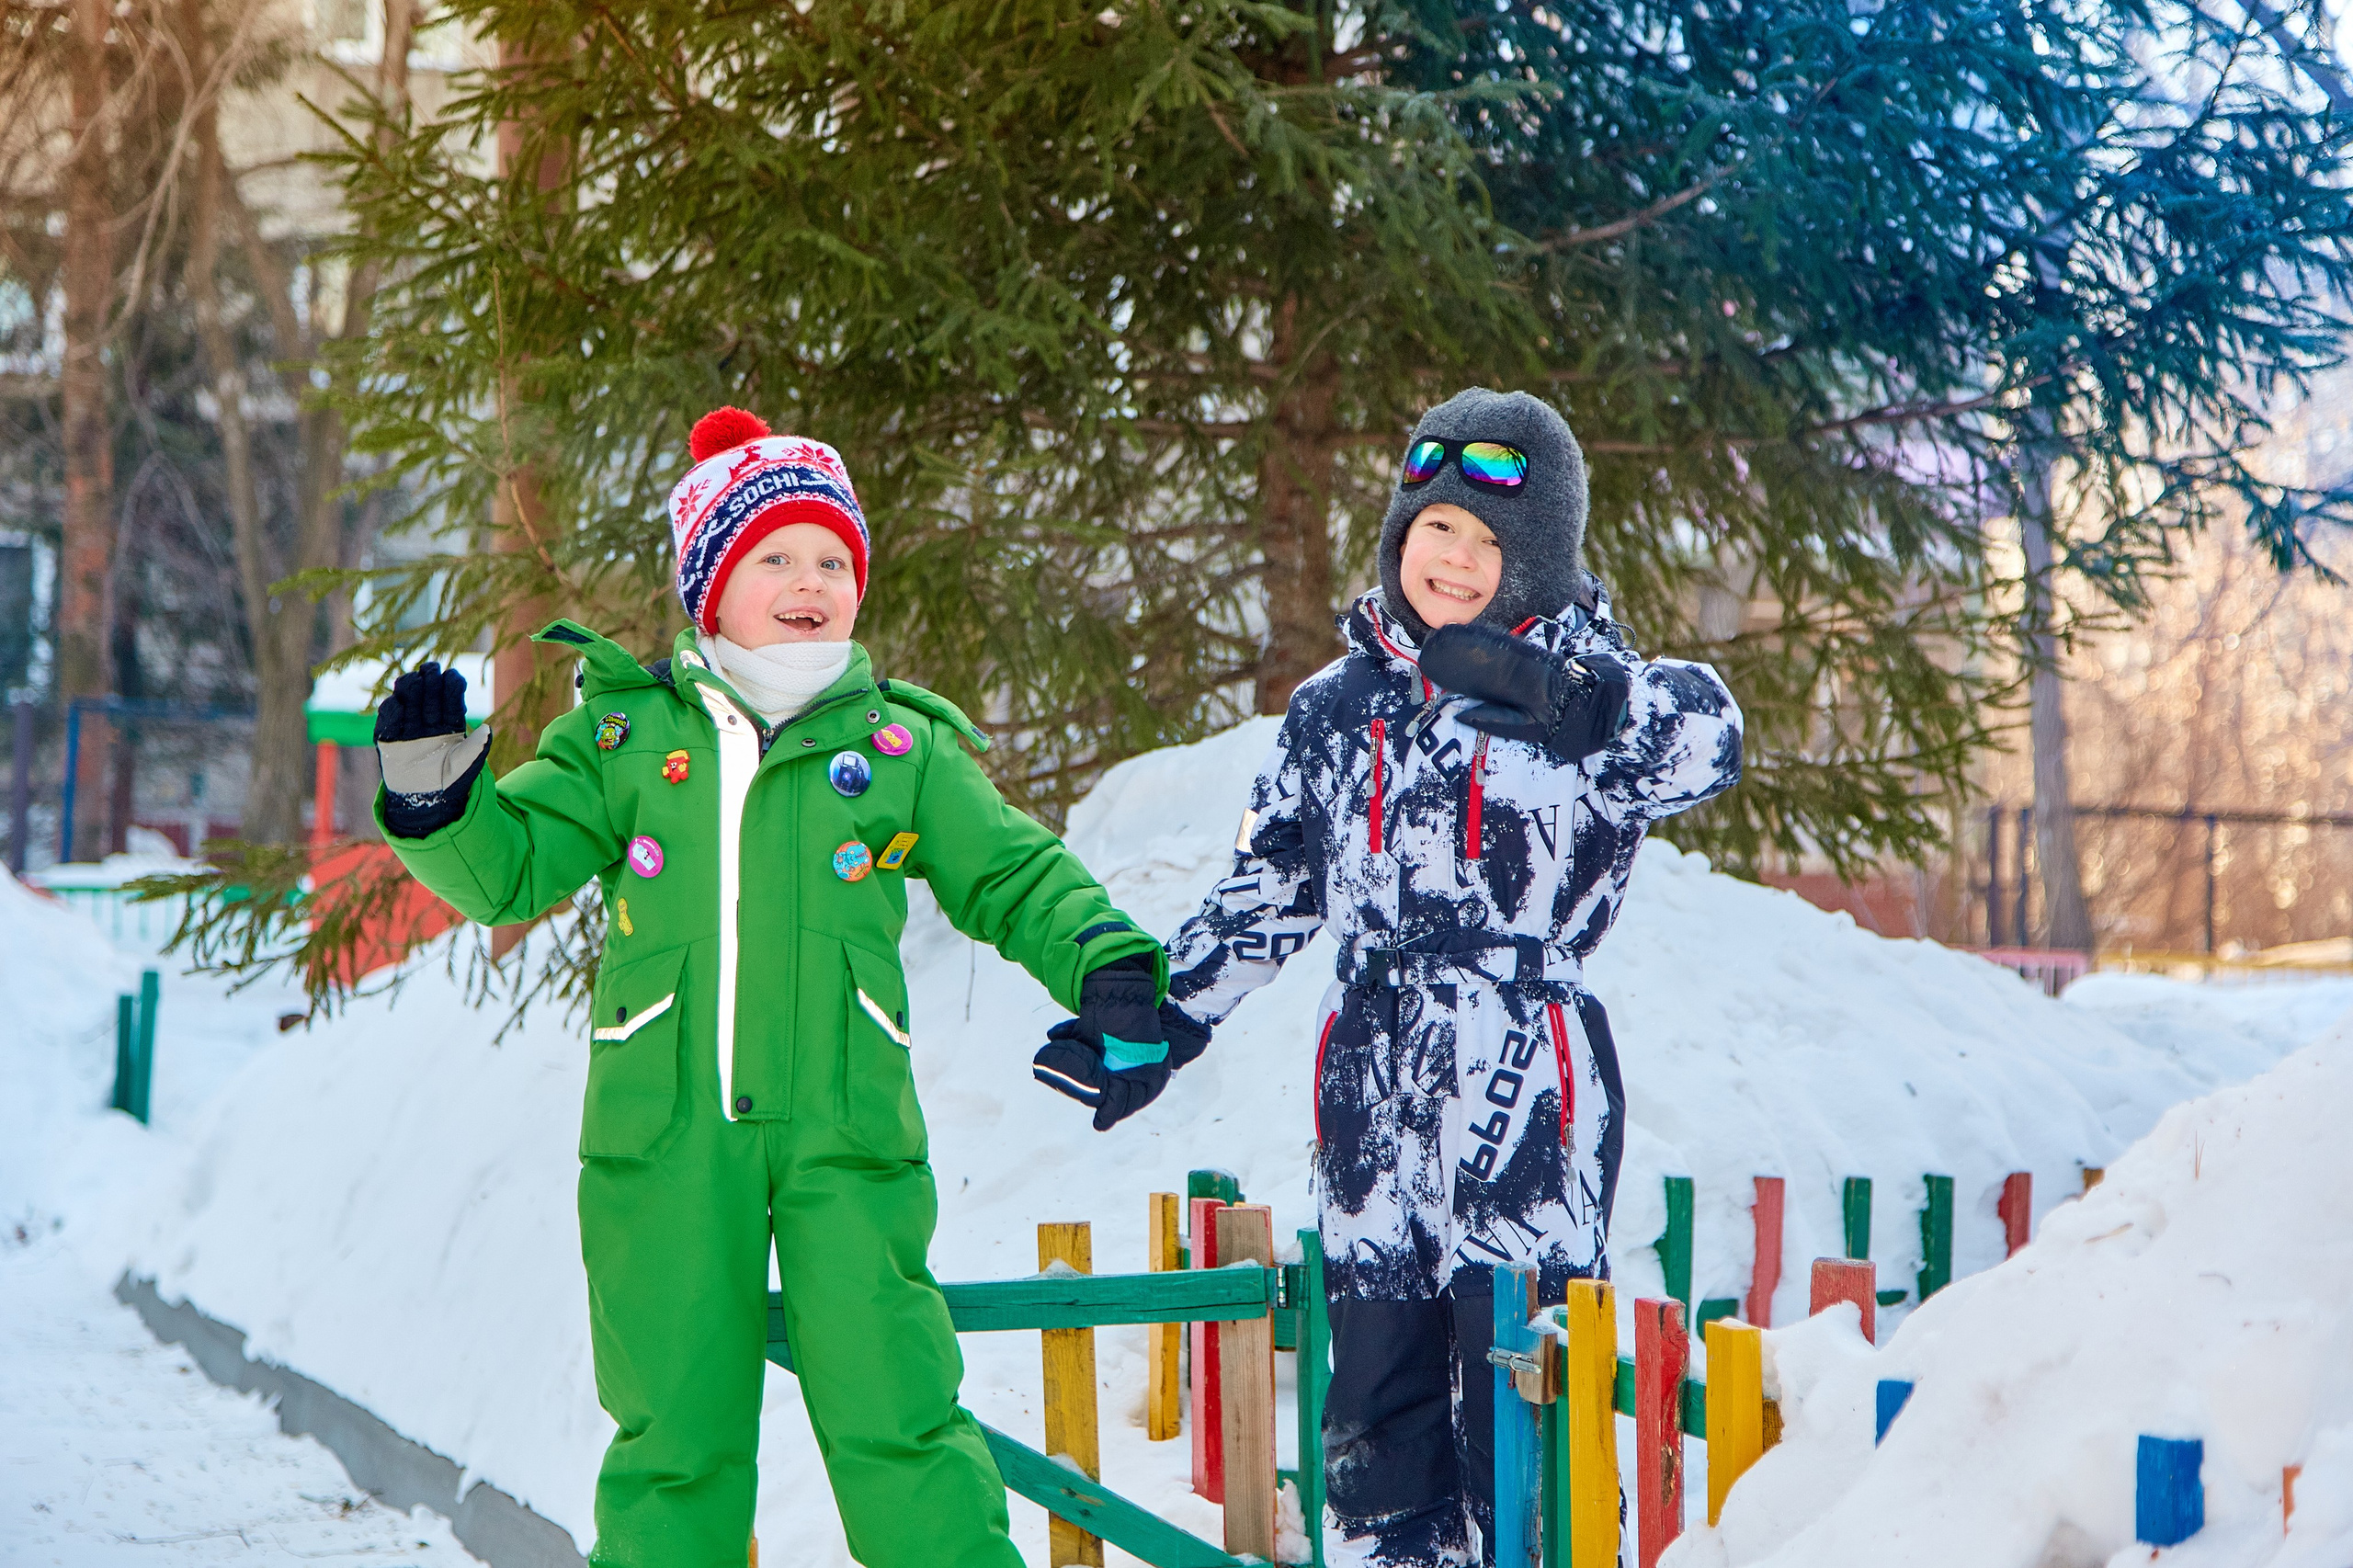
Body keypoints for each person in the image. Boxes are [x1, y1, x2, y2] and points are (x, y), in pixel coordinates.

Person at [369, 407, 1176, 1568]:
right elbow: (509, 872)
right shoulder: (623, 738)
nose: (812, 580)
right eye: (776, 557)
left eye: (834, 558)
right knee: (673, 1441)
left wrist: (1104, 959)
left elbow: (1011, 868)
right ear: (709, 583)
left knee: (900, 1416)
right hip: (663, 1140)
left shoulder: (899, 748)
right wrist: (437, 791)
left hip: (849, 1135)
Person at [1155, 388, 1744, 1566]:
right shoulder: (1334, 708)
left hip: (1525, 1072)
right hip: (1370, 1076)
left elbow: (1708, 738)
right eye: (1437, 528)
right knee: (1376, 1398)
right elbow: (1271, 888)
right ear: (1398, 535)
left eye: (1491, 541)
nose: (1458, 559)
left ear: (1536, 560)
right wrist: (1159, 1011)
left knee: (1519, 1375)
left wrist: (1578, 702)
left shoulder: (1582, 689)